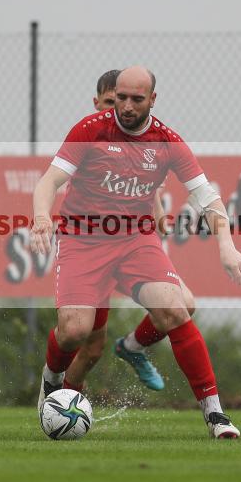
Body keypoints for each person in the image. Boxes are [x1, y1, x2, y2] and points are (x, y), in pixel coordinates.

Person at [30, 66, 241, 438]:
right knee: (75, 332)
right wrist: (41, 219)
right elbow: (49, 181)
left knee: (176, 309)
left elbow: (207, 197)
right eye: (122, 97)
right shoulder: (91, 129)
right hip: (83, 242)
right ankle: (52, 381)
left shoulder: (167, 141)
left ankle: (216, 415)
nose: (127, 106)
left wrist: (227, 245)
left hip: (135, 242)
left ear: (152, 100)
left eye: (136, 99)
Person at [62, 70, 197, 394]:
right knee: (90, 347)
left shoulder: (139, 141)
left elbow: (140, 186)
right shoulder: (88, 140)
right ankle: (62, 399)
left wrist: (158, 209)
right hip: (91, 249)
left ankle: (133, 347)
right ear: (97, 104)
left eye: (127, 101)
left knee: (186, 304)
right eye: (111, 102)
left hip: (128, 246)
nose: (120, 110)